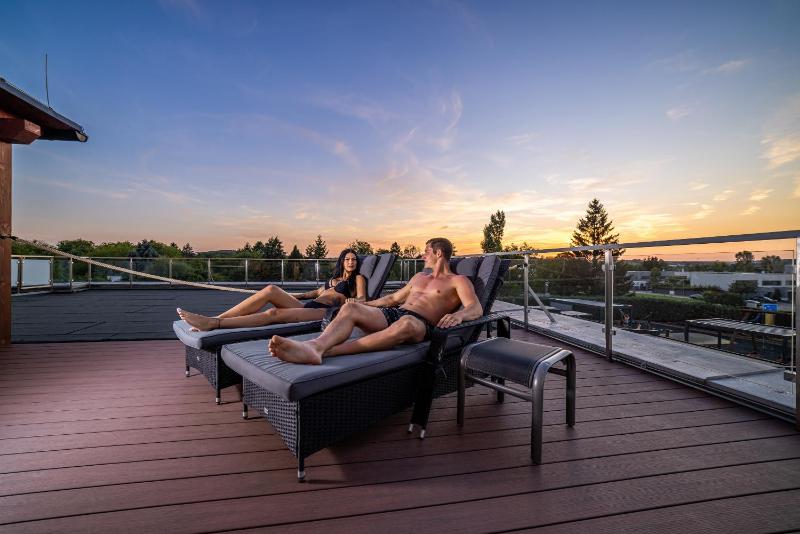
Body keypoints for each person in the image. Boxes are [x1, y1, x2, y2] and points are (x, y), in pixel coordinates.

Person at [269, 237, 481, 365]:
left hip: (420, 324)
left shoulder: (458, 280)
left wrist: (459, 315)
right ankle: (315, 347)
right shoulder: (419, 277)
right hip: (396, 313)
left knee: (406, 323)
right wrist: (361, 305)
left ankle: (326, 351)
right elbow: (392, 299)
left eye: (426, 252)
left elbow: (475, 307)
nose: (423, 256)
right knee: (351, 307)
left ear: (438, 252)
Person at [177, 249, 366, 331]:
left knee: (274, 312)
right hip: (309, 305)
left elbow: (364, 299)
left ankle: (214, 325)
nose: (351, 262)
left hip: (324, 313)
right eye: (348, 259)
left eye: (354, 260)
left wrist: (353, 301)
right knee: (271, 289)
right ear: (342, 261)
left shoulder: (357, 278)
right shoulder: (333, 280)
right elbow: (313, 294)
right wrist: (291, 296)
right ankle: (216, 318)